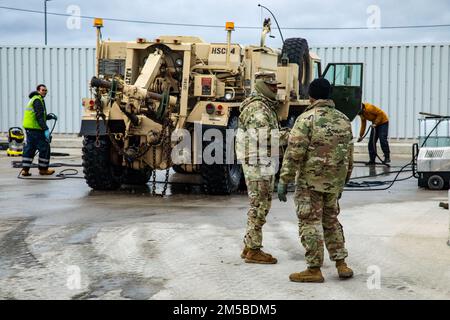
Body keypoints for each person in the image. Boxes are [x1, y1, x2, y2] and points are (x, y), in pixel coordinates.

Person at [277, 78, 354, 283]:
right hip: (334, 182)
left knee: (309, 222)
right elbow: (349, 154)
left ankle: (314, 268)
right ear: (329, 95)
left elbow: (294, 153)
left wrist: (284, 180)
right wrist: (343, 180)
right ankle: (341, 264)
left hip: (310, 183)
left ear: (310, 96)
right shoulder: (344, 120)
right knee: (331, 221)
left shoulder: (306, 119)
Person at [235, 71, 287, 264]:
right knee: (259, 204)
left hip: (260, 159)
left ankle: (249, 245)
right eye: (271, 85)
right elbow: (264, 136)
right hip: (257, 160)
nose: (275, 88)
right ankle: (254, 250)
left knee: (260, 203)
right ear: (262, 86)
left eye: (275, 84)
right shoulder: (258, 107)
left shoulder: (264, 105)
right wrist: (291, 135)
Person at [21, 84, 57, 176]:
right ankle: (43, 169)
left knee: (30, 148)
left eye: (46, 90)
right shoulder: (37, 100)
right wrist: (46, 129)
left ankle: (25, 170)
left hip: (30, 129)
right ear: (38, 90)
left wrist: (48, 117)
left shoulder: (33, 99)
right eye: (43, 90)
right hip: (36, 129)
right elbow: (39, 117)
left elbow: (38, 114)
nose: (45, 92)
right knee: (45, 148)